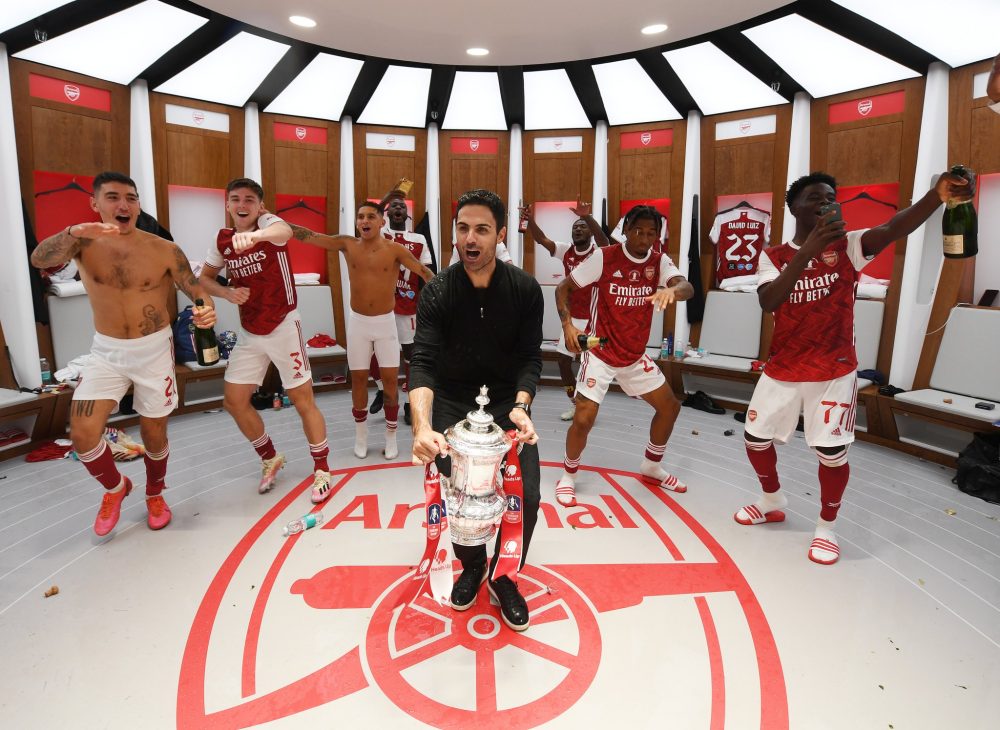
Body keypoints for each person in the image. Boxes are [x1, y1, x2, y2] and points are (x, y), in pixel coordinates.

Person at [733, 170, 973, 566]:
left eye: (831, 197)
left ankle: (826, 527)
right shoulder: (772, 255)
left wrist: (936, 196)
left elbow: (896, 226)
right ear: (794, 207)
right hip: (785, 365)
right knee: (755, 439)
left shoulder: (851, 246)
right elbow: (769, 301)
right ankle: (771, 499)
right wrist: (808, 249)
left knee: (831, 450)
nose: (826, 202)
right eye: (815, 197)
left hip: (834, 367)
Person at [29, 171, 217, 536]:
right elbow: (39, 259)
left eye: (131, 197)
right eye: (113, 197)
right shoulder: (80, 244)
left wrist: (206, 309)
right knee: (83, 434)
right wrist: (72, 233)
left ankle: (155, 494)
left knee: (154, 433)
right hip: (107, 351)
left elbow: (196, 290)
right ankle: (116, 488)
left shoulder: (163, 248)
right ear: (95, 204)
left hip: (154, 352)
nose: (123, 205)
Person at [409, 188, 543, 632]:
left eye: (482, 229)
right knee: (461, 495)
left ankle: (505, 577)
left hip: (507, 406)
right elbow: (423, 362)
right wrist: (423, 426)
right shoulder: (438, 291)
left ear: (500, 234)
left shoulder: (524, 289)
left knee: (529, 495)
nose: (470, 238)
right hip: (451, 403)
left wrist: (522, 406)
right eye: (463, 228)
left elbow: (530, 358)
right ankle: (471, 565)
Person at [198, 178, 334, 503]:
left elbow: (285, 232)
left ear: (260, 206)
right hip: (250, 330)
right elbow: (203, 278)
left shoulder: (269, 224)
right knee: (233, 400)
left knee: (303, 400)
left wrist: (255, 235)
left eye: (249, 200)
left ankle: (322, 470)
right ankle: (270, 457)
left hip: (284, 324)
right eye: (235, 199)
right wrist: (226, 291)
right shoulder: (222, 241)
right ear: (228, 205)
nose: (242, 205)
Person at [554, 205, 693, 507]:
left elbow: (687, 286)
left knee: (669, 407)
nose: (644, 238)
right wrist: (567, 326)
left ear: (658, 236)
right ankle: (568, 475)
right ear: (626, 230)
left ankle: (652, 467)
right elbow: (563, 288)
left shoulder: (659, 261)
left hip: (634, 355)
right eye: (638, 230)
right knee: (583, 419)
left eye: (651, 233)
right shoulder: (604, 257)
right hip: (600, 349)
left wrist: (674, 291)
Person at [286, 195, 434, 460]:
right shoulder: (347, 244)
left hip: (386, 323)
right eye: (360, 217)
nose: (364, 221)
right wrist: (274, 222)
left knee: (390, 382)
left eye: (370, 217)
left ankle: (390, 436)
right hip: (358, 324)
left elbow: (424, 272)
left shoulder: (395, 250)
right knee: (358, 380)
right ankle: (361, 435)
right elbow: (310, 236)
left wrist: (446, 296)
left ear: (381, 222)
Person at [523, 200, 609, 421]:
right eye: (575, 227)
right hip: (571, 320)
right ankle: (574, 402)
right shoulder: (566, 251)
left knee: (587, 366)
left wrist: (587, 216)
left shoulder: (598, 253)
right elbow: (542, 239)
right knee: (563, 362)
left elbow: (605, 241)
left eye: (582, 226)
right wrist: (530, 219)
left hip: (593, 320)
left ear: (590, 231)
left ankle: (587, 405)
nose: (578, 229)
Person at [368, 196, 435, 426]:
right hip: (380, 305)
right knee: (372, 354)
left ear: (407, 214)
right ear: (386, 213)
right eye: (393, 206)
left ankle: (408, 403)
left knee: (411, 357)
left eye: (402, 206)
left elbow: (426, 271)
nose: (398, 208)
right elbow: (369, 215)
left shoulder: (418, 238)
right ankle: (380, 390)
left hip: (409, 308)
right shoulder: (379, 234)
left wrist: (427, 303)